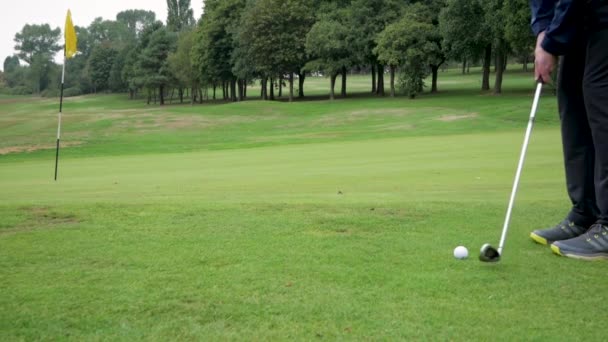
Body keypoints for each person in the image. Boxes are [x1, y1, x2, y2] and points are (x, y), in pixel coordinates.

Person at [528, 0, 608, 260]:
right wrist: (543, 31)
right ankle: (586, 212)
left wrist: (552, 41)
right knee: (571, 97)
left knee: (600, 98)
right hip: (581, 21)